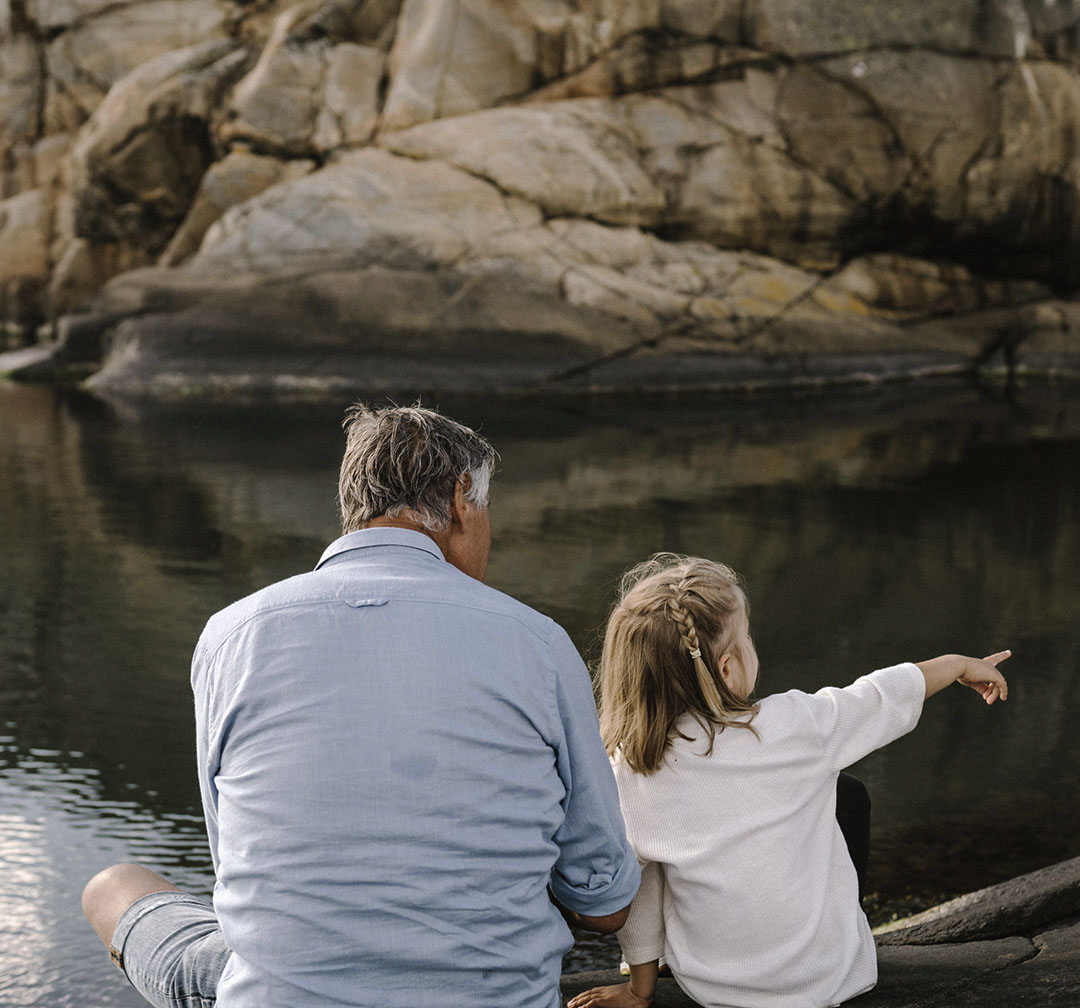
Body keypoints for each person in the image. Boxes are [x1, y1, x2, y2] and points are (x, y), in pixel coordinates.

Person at [82, 404, 640, 1008]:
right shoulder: (538, 642)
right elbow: (605, 905)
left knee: (112, 887)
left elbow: (236, 865)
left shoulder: (230, 636)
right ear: (460, 500)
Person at [567, 554, 1011, 1008]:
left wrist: (640, 992)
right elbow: (879, 696)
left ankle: (648, 970)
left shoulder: (629, 770)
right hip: (831, 978)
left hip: (714, 987)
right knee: (843, 795)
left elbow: (629, 889)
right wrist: (956, 664)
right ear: (725, 669)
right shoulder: (795, 725)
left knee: (643, 857)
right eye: (747, 638)